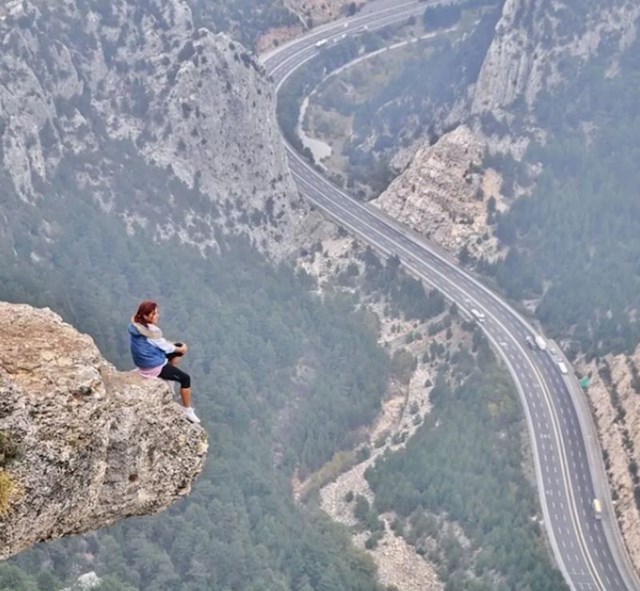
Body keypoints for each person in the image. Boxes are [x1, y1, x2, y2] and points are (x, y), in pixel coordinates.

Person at [128, 300, 201, 424]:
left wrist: (176, 346)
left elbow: (161, 343)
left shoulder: (137, 327)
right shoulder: (150, 332)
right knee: (185, 379)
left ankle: (169, 376)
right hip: (152, 366)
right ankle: (187, 410)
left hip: (145, 361)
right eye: (154, 313)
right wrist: (181, 348)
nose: (157, 315)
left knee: (177, 347)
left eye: (156, 313)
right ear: (145, 316)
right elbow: (166, 347)